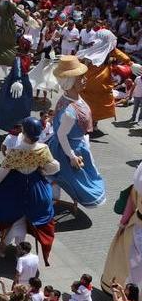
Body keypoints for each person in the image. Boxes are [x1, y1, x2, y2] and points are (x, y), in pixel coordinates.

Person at [0, 117, 59, 261]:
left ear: (24, 132)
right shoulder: (43, 149)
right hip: (37, 189)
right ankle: (16, 249)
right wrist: (41, 169)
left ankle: (6, 248)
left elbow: (0, 174)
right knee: (23, 219)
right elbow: (53, 167)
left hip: (15, 187)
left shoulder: (16, 152)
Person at [47, 56, 106, 209]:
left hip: (78, 144)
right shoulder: (69, 111)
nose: (85, 79)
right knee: (80, 180)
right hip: (71, 149)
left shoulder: (70, 98)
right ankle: (52, 200)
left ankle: (53, 198)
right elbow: (61, 135)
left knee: (82, 177)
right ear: (71, 81)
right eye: (81, 78)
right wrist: (72, 156)